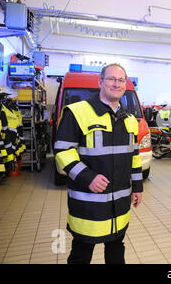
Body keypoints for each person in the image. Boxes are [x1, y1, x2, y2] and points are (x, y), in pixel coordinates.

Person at [54, 64, 143, 264]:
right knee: (81, 254)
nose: (116, 84)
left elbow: (134, 157)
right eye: (111, 79)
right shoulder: (77, 112)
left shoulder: (129, 119)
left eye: (121, 80)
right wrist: (88, 177)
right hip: (89, 202)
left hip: (119, 203)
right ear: (100, 82)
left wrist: (137, 187)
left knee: (116, 249)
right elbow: (62, 150)